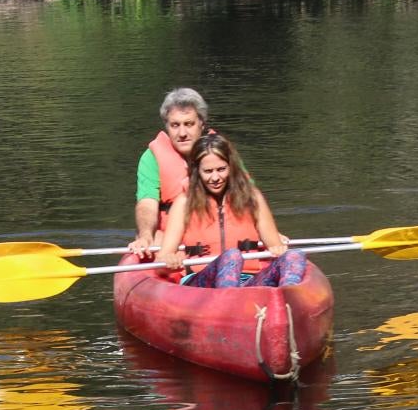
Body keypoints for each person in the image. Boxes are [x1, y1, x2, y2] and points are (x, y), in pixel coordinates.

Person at [156, 133, 309, 289]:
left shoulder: (252, 198)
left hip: (247, 282)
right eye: (208, 171)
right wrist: (169, 260)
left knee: (295, 255)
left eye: (221, 169)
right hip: (201, 283)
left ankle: (289, 301)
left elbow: (275, 246)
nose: (215, 178)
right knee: (231, 256)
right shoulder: (184, 203)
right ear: (197, 171)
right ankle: (229, 303)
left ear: (231, 167)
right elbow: (162, 259)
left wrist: (278, 249)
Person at [128, 87, 208, 255]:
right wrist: (145, 236)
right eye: (175, 125)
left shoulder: (220, 153)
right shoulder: (152, 158)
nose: (182, 133)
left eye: (189, 124)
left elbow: (246, 194)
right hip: (171, 239)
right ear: (167, 126)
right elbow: (147, 202)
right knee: (157, 239)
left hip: (211, 235)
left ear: (202, 124)